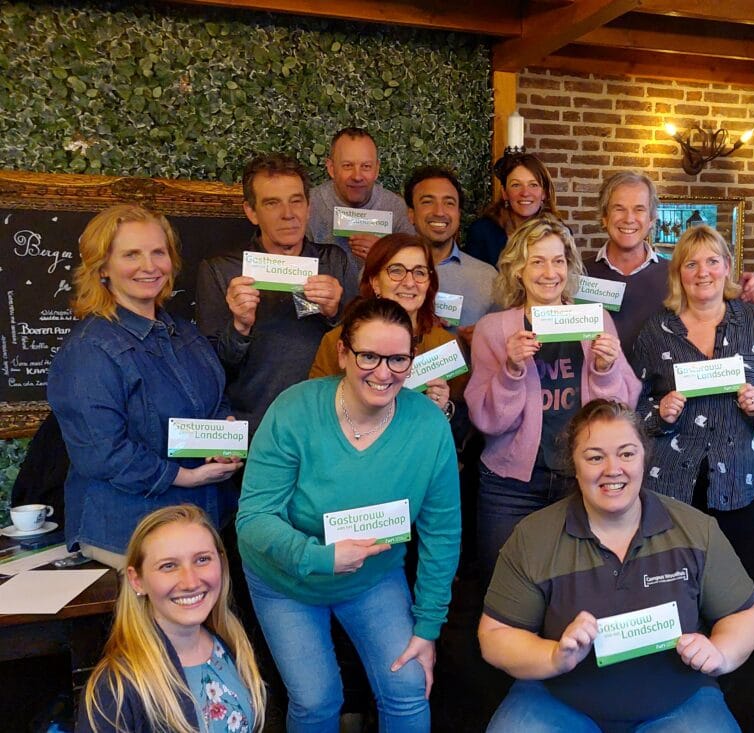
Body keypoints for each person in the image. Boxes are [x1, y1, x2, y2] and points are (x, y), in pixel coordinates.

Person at [236, 297, 461, 732]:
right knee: (318, 699)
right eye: (369, 356)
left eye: (398, 359)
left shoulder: (429, 426)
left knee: (409, 687)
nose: (383, 372)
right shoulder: (294, 410)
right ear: (343, 353)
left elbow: (443, 534)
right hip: (287, 579)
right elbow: (253, 520)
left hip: (373, 578)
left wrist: (428, 628)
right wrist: (322, 558)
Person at [480, 399, 754, 732]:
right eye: (595, 457)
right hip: (557, 700)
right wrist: (555, 655)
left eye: (627, 453)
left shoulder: (695, 529)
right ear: (574, 464)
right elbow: (495, 636)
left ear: (645, 458)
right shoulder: (534, 537)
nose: (612, 469)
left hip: (678, 701)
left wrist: (720, 652)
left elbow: (748, 613)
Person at [47, 205, 241, 570]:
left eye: (158, 252)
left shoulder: (182, 330)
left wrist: (221, 443)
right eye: (131, 255)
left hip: (204, 522)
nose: (149, 266)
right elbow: (104, 453)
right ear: (102, 267)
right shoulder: (89, 349)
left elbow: (215, 399)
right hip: (131, 534)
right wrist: (185, 476)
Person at [466, 214, 641, 578]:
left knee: (575, 585)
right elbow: (487, 421)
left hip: (579, 479)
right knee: (503, 585)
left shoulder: (595, 321)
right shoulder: (493, 330)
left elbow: (623, 408)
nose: (550, 272)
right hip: (510, 486)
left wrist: (605, 369)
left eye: (558, 260)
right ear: (518, 269)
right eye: (538, 261)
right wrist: (511, 369)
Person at [632, 224, 754, 580]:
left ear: (728, 266)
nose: (703, 272)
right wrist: (660, 413)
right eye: (690, 264)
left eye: (712, 261)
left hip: (739, 481)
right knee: (672, 585)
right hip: (671, 484)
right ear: (678, 274)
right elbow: (633, 410)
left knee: (736, 587)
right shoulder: (656, 329)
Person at [196, 153, 357, 432]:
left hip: (329, 422)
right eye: (272, 203)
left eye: (296, 201)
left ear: (308, 207)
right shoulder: (220, 271)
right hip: (255, 426)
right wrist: (239, 327)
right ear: (251, 211)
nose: (288, 214)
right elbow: (207, 372)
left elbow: (363, 350)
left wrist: (336, 313)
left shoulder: (334, 261)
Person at [78, 504, 266, 733]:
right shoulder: (115, 689)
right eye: (168, 566)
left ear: (222, 562)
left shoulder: (230, 645)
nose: (191, 582)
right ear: (137, 580)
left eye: (202, 560)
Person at [583, 171, 754, 356]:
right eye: (619, 208)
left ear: (651, 220)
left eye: (639, 209)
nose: (629, 218)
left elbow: (714, 318)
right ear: (605, 218)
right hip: (596, 382)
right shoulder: (579, 275)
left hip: (666, 384)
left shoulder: (678, 275)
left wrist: (745, 298)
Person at [309, 233, 464, 420]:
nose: (409, 282)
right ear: (375, 283)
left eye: (420, 272)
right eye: (397, 271)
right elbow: (315, 409)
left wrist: (444, 408)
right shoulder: (338, 341)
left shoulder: (444, 345)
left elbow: (464, 423)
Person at [306, 126, 416, 273]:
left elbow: (414, 269)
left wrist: (384, 254)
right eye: (347, 166)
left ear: (377, 169)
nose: (357, 176)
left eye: (366, 166)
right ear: (331, 168)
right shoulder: (308, 205)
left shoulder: (397, 209)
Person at [404, 165, 497, 338]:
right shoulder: (385, 273)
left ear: (458, 214)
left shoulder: (488, 278)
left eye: (449, 203)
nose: (439, 212)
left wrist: (487, 341)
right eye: (427, 202)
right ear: (411, 214)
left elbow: (505, 344)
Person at [465, 153, 561, 268]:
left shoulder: (560, 233)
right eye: (516, 185)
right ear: (505, 192)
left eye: (533, 185)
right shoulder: (482, 232)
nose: (525, 193)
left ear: (544, 193)